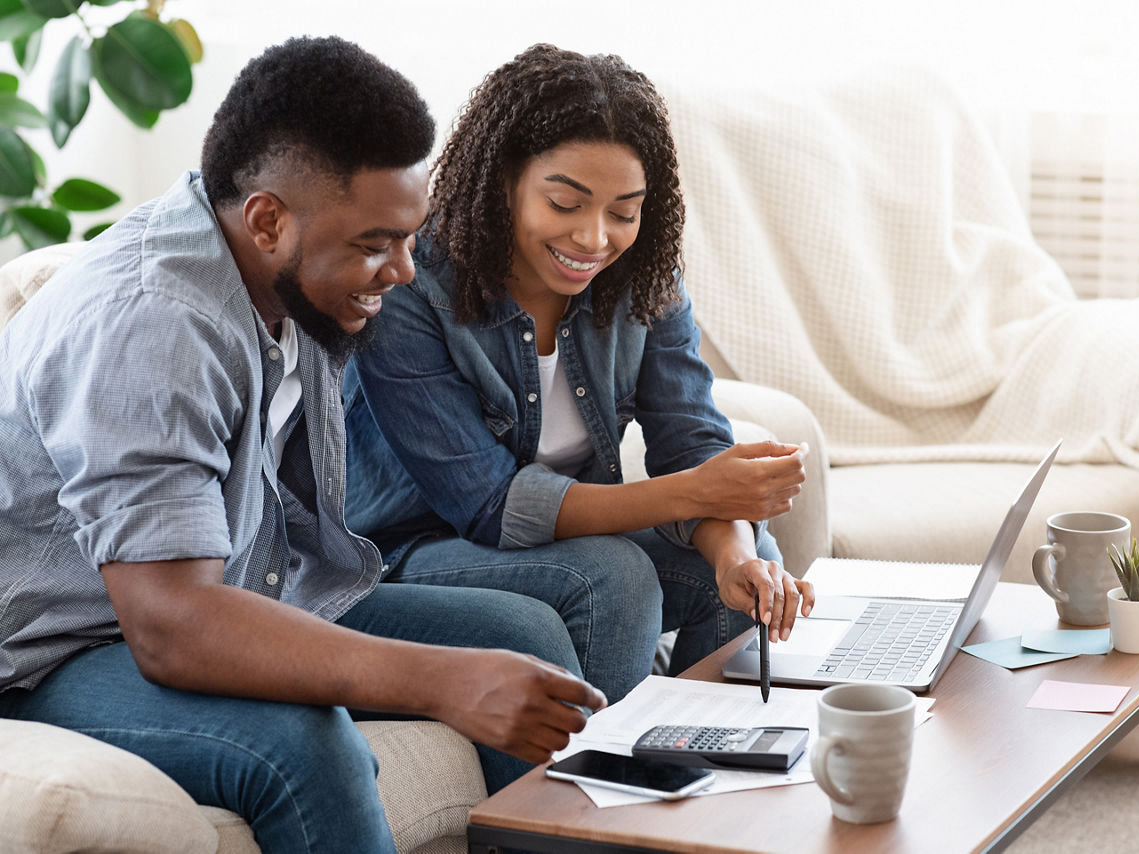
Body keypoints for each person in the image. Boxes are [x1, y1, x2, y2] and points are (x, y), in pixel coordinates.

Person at [0, 36, 604, 853]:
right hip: (57, 649)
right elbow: (172, 622)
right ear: (268, 219)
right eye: (374, 243)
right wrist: (440, 680)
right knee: (302, 745)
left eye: (407, 237)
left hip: (238, 586)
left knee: (525, 637)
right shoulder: (154, 325)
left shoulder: (292, 282)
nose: (401, 270)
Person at [344, 43, 816, 705]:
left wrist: (736, 550)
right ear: (503, 179)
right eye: (566, 204)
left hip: (551, 544)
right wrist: (698, 492)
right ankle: (604, 793)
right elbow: (489, 506)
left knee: (744, 560)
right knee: (614, 578)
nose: (595, 239)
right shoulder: (414, 286)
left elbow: (690, 441)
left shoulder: (642, 282)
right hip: (411, 551)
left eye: (623, 212)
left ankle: (708, 765)